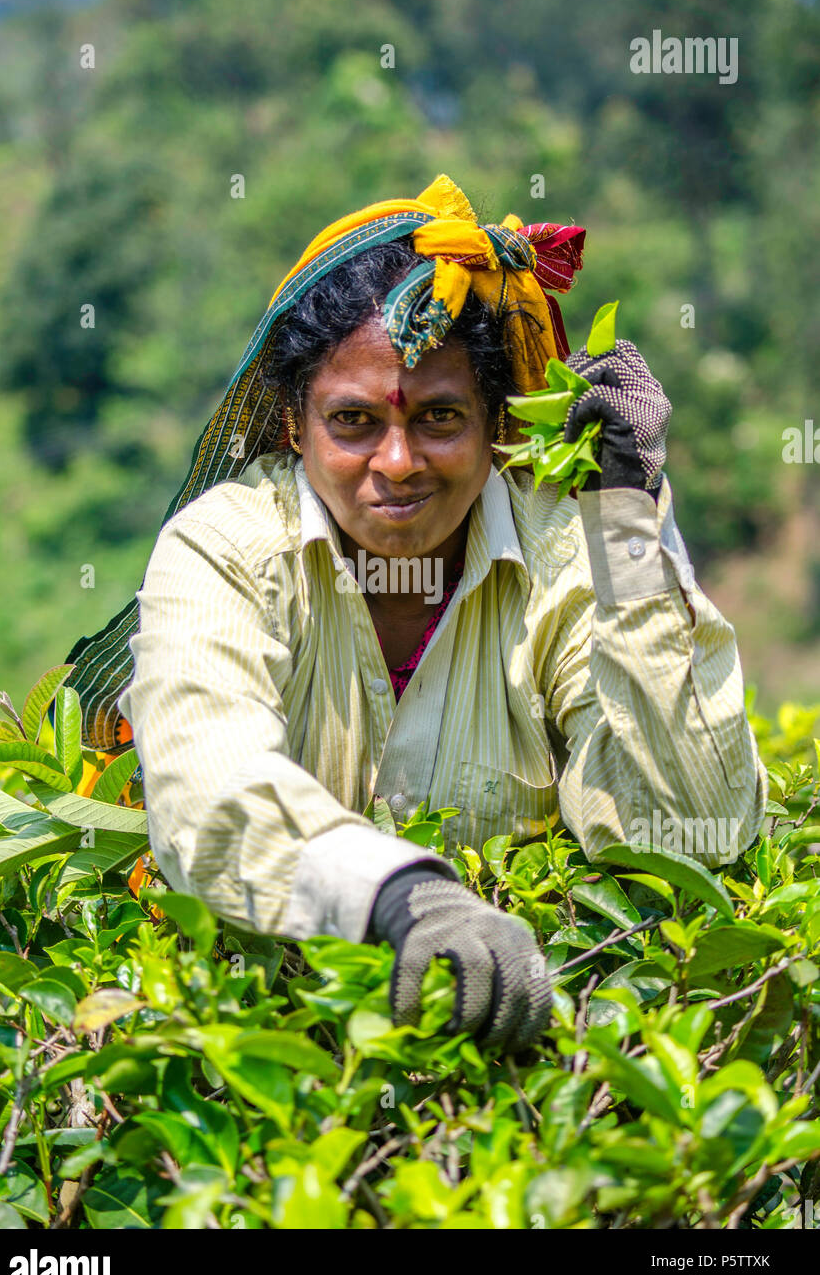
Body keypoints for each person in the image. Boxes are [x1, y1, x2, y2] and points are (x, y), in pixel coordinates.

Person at [64, 175, 767, 1053]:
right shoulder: (226, 550)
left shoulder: (566, 553)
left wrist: (625, 519)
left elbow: (684, 834)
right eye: (351, 421)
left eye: (440, 418)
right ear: (291, 425)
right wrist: (402, 895)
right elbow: (211, 792)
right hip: (266, 1077)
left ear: (497, 423)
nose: (395, 462)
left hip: (528, 1079)